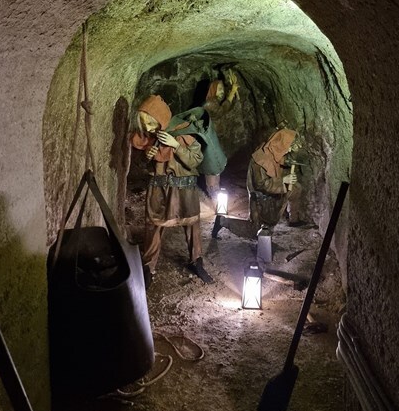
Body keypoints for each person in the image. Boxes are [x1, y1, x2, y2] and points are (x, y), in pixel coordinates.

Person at [130, 95, 213, 287]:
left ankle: (196, 261)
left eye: (151, 122)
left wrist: (176, 146)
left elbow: (195, 160)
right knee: (154, 225)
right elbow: (141, 166)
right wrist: (147, 157)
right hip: (159, 188)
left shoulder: (184, 132)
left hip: (184, 188)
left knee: (192, 224)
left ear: (161, 118)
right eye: (144, 122)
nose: (148, 127)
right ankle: (148, 267)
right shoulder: (148, 138)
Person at [247, 128, 304, 228]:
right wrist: (283, 180)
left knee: (296, 188)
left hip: (272, 188)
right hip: (262, 197)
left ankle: (293, 219)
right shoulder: (260, 161)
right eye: (288, 147)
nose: (288, 150)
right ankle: (223, 221)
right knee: (259, 228)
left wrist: (288, 160)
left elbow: (279, 159)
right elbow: (261, 184)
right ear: (282, 145)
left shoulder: (273, 149)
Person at [202, 70, 239, 198]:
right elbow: (222, 111)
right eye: (219, 89)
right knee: (212, 166)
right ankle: (213, 191)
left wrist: (233, 91)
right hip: (211, 141)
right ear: (213, 90)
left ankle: (215, 189)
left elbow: (228, 106)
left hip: (216, 139)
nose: (222, 91)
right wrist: (232, 92)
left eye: (223, 89)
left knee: (217, 165)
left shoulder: (216, 102)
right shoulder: (209, 103)